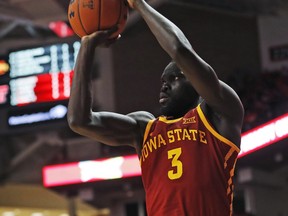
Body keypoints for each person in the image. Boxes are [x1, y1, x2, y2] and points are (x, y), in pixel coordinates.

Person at [67, 0, 244, 215]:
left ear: (196, 82)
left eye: (175, 78)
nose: (165, 86)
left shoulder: (218, 115)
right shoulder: (144, 128)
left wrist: (139, 5)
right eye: (163, 81)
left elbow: (180, 51)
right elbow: (80, 121)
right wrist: (87, 46)